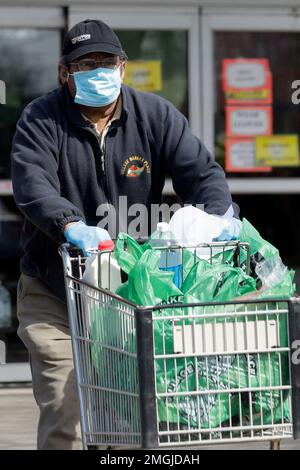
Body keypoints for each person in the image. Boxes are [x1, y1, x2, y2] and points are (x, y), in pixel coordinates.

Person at [11, 19, 241, 450]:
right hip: (56, 288)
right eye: (86, 64)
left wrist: (216, 217)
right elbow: (31, 183)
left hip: (130, 291)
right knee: (68, 411)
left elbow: (202, 173)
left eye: (106, 62)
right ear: (65, 73)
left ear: (123, 66)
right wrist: (69, 224)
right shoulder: (41, 118)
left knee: (131, 417)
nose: (99, 71)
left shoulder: (154, 114)